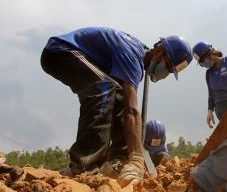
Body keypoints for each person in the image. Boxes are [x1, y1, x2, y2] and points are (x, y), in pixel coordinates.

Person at [40, 27, 193, 187]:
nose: (166, 72)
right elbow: (131, 111)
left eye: (170, 71)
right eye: (168, 66)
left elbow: (123, 102)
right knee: (103, 87)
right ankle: (85, 165)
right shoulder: (131, 55)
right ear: (160, 51)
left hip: (74, 55)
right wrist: (137, 157)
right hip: (60, 52)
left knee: (118, 93)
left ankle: (118, 159)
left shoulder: (137, 60)